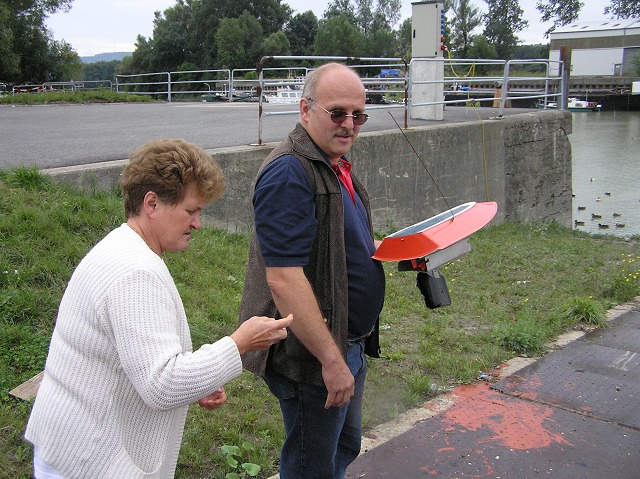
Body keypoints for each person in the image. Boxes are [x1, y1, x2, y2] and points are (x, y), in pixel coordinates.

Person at [25, 138, 292, 479]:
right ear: (152, 203)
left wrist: (198, 381)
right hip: (89, 462)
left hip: (70, 448)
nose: (197, 223)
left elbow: (141, 360)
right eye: (191, 210)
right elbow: (163, 384)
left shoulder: (121, 247)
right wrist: (239, 344)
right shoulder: (135, 272)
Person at [239, 62, 386, 478]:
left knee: (341, 449)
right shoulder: (290, 172)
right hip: (313, 357)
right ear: (305, 110)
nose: (349, 124)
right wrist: (331, 360)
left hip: (346, 343)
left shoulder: (331, 162)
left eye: (359, 114)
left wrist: (394, 252)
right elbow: (283, 278)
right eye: (337, 112)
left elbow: (340, 243)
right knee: (311, 468)